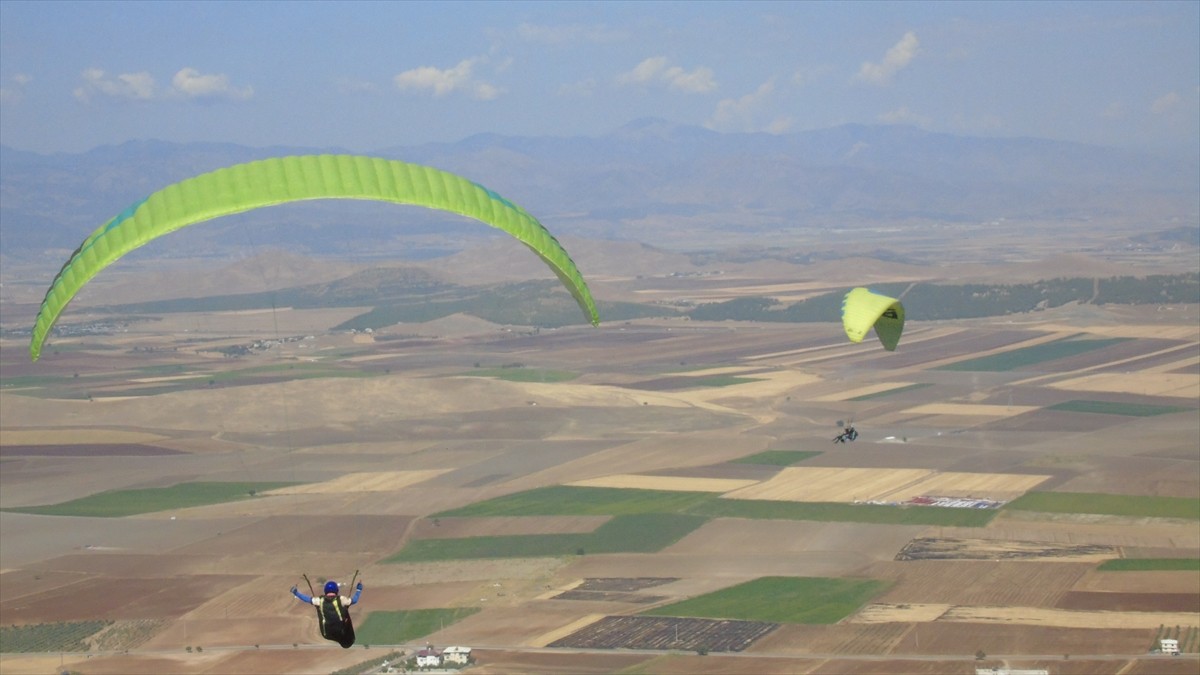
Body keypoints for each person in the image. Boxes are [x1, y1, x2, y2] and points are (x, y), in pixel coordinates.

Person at [291, 579, 363, 648]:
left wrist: (296, 593)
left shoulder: (319, 600)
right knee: (345, 612)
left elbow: (307, 599)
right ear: (336, 590)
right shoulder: (341, 599)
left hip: (326, 633)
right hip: (341, 631)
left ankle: (343, 641)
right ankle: (345, 641)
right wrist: (358, 590)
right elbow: (354, 600)